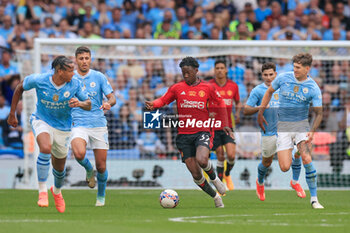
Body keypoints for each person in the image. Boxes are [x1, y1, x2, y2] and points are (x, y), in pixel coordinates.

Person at [145, 57, 233, 208]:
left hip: (202, 130)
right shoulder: (177, 88)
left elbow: (220, 104)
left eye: (188, 72)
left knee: (202, 160)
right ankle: (215, 196)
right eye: (183, 73)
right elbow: (164, 100)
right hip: (184, 136)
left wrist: (225, 124)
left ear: (196, 71)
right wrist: (154, 104)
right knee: (196, 174)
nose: (185, 76)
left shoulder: (207, 88)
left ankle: (216, 179)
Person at [7, 56, 91, 213]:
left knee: (59, 168)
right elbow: (20, 87)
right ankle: (42, 192)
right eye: (70, 70)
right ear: (60, 71)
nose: (74, 73)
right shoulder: (40, 79)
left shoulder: (75, 84)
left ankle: (57, 192)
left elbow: (88, 104)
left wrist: (80, 103)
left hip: (63, 128)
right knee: (45, 148)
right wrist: (12, 113)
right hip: (41, 120)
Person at [257, 53, 324, 209]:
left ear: (307, 69)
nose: (295, 70)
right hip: (284, 127)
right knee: (284, 167)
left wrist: (312, 131)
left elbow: (319, 113)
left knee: (307, 158)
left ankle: (314, 199)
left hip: (302, 126)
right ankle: (294, 173)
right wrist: (261, 111)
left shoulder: (313, 87)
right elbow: (268, 92)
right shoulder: (283, 78)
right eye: (294, 67)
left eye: (298, 68)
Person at [244, 62, 305, 201]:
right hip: (268, 132)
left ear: (276, 74)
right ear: (261, 75)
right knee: (267, 162)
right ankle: (260, 182)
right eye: (265, 75)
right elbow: (246, 110)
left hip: (286, 130)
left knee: (297, 152)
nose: (268, 77)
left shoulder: (285, 88)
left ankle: (295, 182)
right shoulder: (258, 91)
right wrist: (260, 107)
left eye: (271, 74)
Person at [71, 46, 116, 207]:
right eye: (81, 58)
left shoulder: (99, 77)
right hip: (78, 122)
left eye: (87, 58)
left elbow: (112, 98)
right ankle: (89, 170)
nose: (84, 61)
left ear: (90, 59)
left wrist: (108, 103)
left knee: (102, 166)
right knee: (78, 152)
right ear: (76, 60)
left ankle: (101, 197)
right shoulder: (70, 78)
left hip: (98, 123)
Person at [208, 60, 241, 191]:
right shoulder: (209, 85)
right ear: (214, 70)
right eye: (217, 68)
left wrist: (237, 113)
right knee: (220, 155)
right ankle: (220, 185)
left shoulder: (233, 86)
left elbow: (238, 102)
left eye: (222, 68)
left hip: (228, 126)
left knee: (231, 155)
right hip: (213, 126)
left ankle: (227, 174)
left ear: (226, 70)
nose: (220, 70)